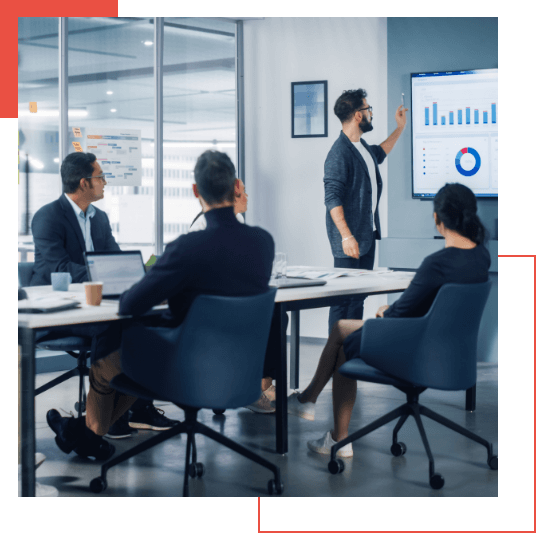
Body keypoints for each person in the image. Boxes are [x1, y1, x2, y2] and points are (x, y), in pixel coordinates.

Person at [46, 150, 275, 461]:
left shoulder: (186, 248)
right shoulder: (263, 243)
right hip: (238, 369)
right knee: (122, 347)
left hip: (182, 369)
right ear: (236, 187)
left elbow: (130, 304)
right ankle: (83, 434)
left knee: (105, 361)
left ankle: (88, 436)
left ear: (195, 191)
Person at [286, 183, 491, 457]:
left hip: (415, 350)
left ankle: (333, 432)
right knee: (342, 330)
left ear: (437, 218)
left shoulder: (437, 263)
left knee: (343, 338)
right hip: (449, 353)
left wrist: (384, 313)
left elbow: (399, 312)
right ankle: (310, 404)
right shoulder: (481, 256)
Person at [32, 152, 179, 441]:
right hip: (61, 310)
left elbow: (114, 258)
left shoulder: (100, 218)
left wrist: (136, 275)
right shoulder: (48, 217)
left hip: (97, 305)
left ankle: (123, 413)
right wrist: (106, 276)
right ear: (84, 183)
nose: (105, 183)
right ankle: (117, 416)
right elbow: (59, 268)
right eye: (100, 177)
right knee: (115, 327)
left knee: (139, 324)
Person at [189, 176, 280, 413]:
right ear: (233, 197)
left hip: (234, 301)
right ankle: (254, 388)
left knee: (277, 316)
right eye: (244, 193)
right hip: (213, 309)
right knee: (268, 318)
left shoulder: (237, 221)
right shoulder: (202, 226)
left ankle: (260, 384)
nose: (248, 197)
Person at [324, 89, 409, 335]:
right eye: (368, 109)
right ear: (358, 115)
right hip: (349, 241)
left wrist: (399, 128)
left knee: (358, 297)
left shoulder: (360, 147)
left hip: (366, 238)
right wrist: (346, 236)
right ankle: (336, 358)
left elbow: (380, 152)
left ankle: (349, 352)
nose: (371, 113)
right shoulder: (339, 152)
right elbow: (332, 198)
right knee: (342, 301)